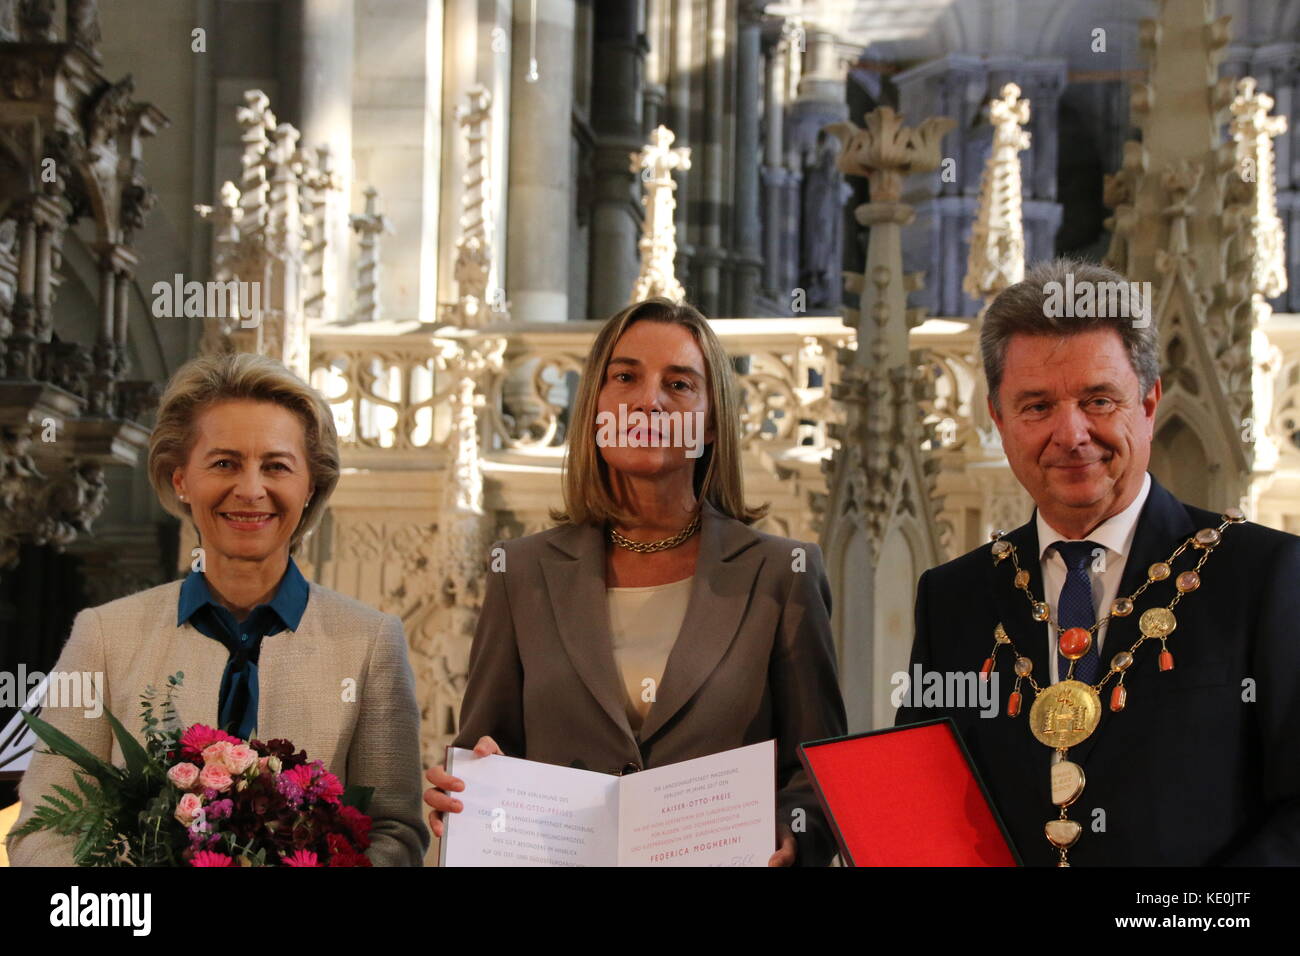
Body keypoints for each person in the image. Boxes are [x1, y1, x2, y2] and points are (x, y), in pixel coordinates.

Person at [897, 258, 1300, 865]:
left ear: (1149, 401)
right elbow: (920, 804)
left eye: (1098, 400)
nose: (1071, 433)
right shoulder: (953, 597)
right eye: (1036, 406)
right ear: (998, 419)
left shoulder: (1267, 575)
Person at [424, 297, 847, 866]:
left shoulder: (781, 576)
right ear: (596, 406)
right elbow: (484, 748)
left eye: (679, 385)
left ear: (713, 423)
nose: (648, 401)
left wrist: (792, 835)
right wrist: (465, 789)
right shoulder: (522, 573)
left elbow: (818, 774)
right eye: (625, 377)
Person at [7, 352, 428, 866]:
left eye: (276, 466)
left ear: (310, 485)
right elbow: (42, 834)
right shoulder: (103, 636)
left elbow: (395, 833)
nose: (251, 490)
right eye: (224, 463)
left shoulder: (372, 643)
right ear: (180, 478)